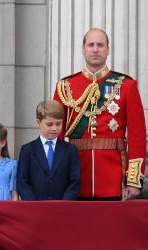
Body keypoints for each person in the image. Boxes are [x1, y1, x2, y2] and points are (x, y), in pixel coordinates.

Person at [53, 28, 146, 200]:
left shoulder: (126, 86)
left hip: (114, 179)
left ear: (108, 50)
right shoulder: (65, 87)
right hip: (76, 177)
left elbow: (137, 136)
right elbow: (55, 135)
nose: (95, 49)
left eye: (100, 45)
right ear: (83, 49)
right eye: (91, 45)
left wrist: (133, 180)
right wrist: (57, 175)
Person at [17, 100, 81, 200]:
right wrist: (33, 205)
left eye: (58, 124)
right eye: (49, 124)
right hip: (35, 208)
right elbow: (22, 181)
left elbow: (75, 181)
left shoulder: (70, 150)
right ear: (38, 123)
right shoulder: (27, 150)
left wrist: (64, 204)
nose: (54, 128)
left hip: (63, 208)